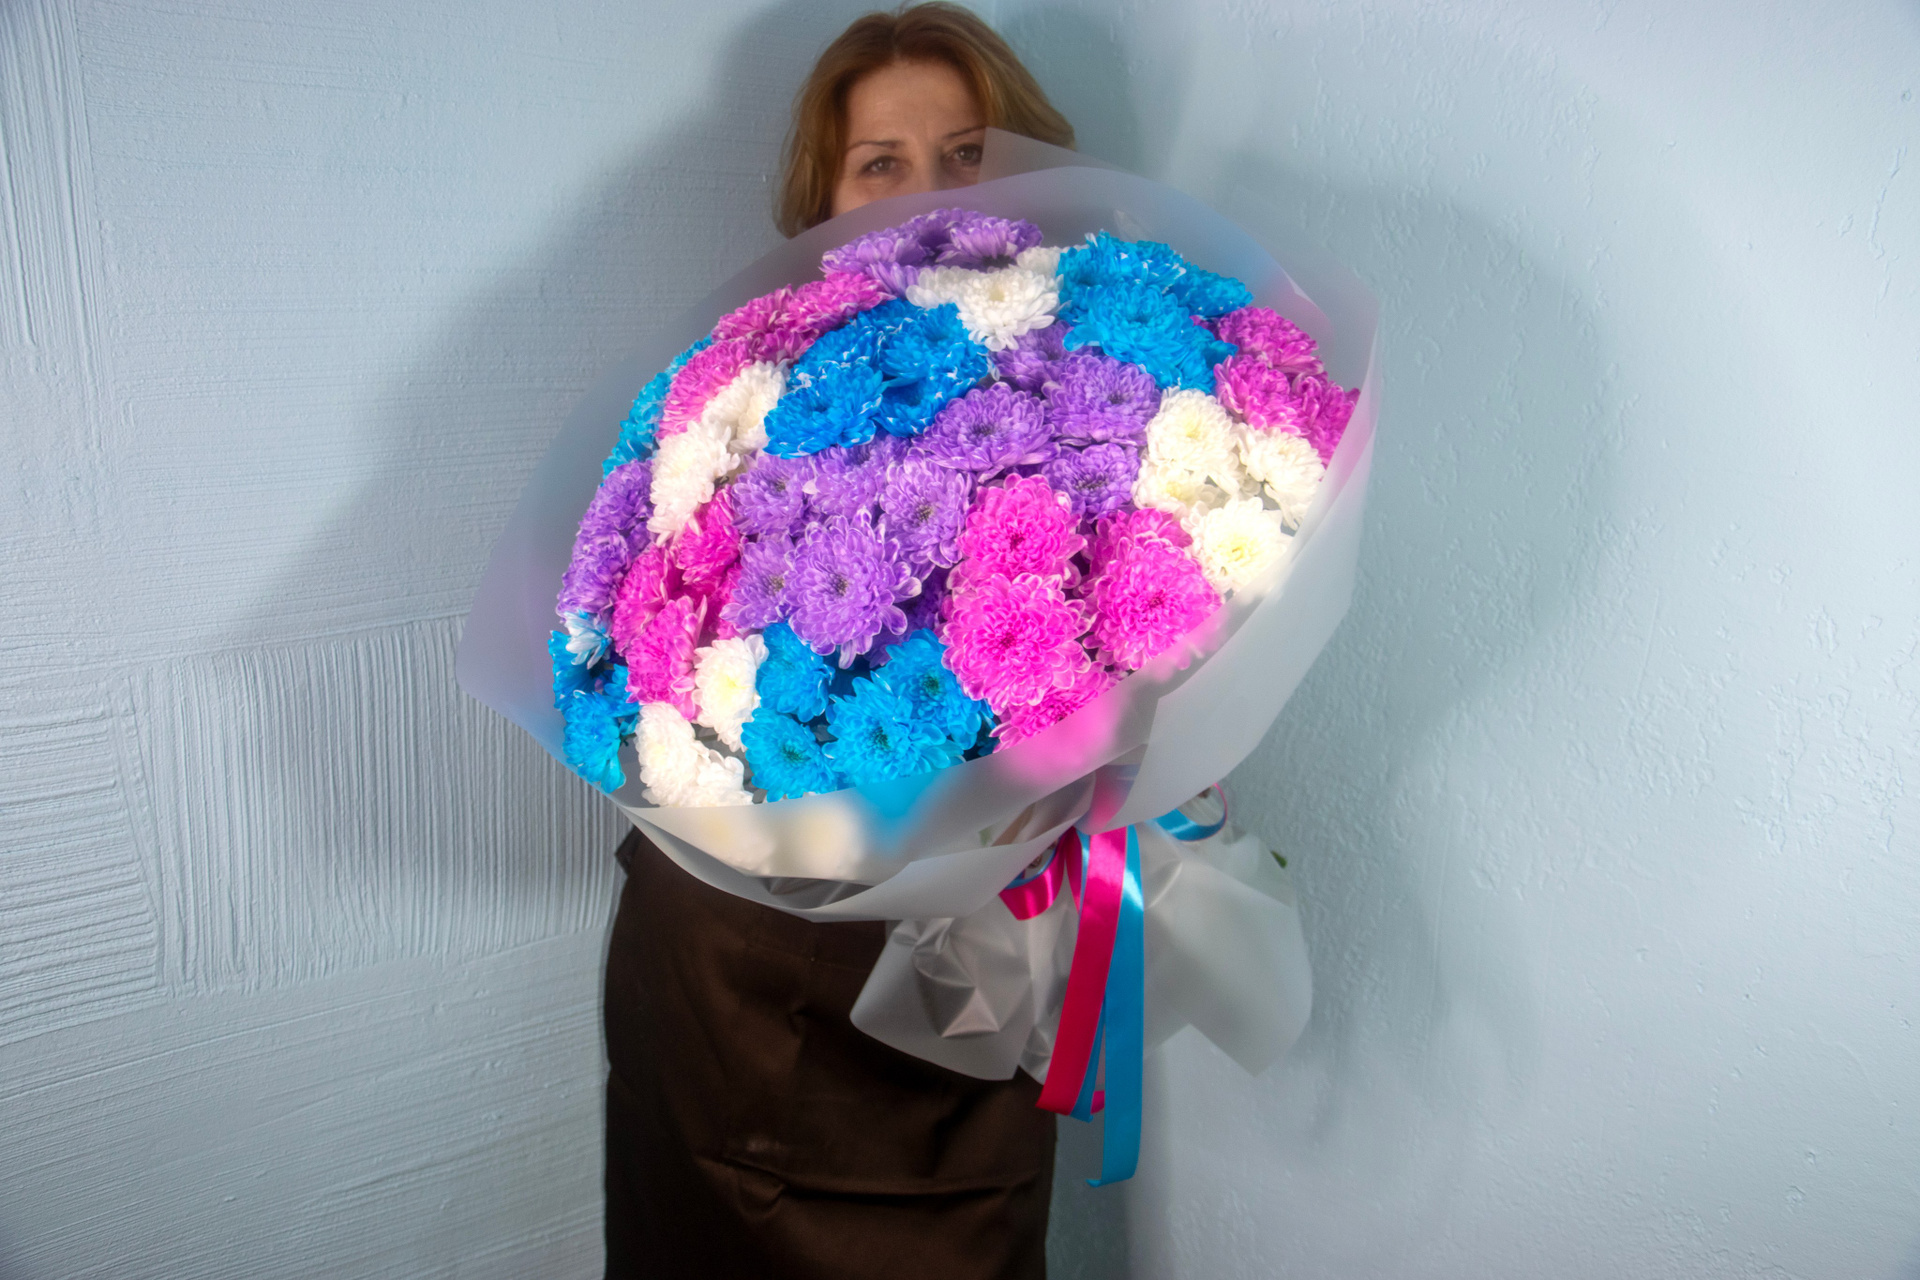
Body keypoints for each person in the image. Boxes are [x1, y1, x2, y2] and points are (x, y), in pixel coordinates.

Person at [600, 7, 1077, 1278]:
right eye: (882, 163)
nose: (929, 196)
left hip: (949, 987)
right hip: (725, 972)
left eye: (968, 152)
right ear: (824, 203)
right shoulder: (735, 395)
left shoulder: (1107, 400)